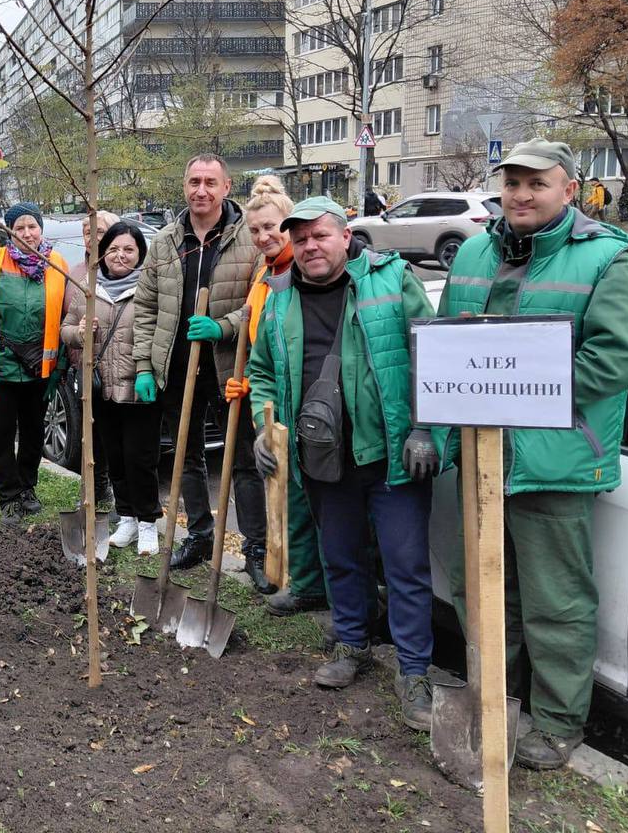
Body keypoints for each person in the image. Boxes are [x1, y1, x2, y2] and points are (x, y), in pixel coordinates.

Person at [438, 138, 628, 768]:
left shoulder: (607, 258)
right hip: (481, 457)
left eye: (537, 183)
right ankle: (493, 702)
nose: (521, 195)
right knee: (481, 593)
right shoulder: (475, 251)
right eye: (512, 183)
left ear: (569, 190)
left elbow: (613, 360)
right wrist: (436, 426)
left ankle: (556, 724)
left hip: (554, 462)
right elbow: (443, 348)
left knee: (556, 603)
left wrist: (520, 391)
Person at [247, 196, 438, 732]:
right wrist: (265, 427)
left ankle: (414, 671)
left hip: (391, 455)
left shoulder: (391, 280)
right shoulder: (280, 298)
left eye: (320, 235)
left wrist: (425, 428)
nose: (310, 246)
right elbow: (263, 372)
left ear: (346, 237)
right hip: (322, 458)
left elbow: (432, 356)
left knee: (405, 567)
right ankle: (352, 643)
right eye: (301, 238)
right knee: (341, 558)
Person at [132, 154, 259, 573]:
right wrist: (145, 366)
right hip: (178, 367)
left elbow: (260, 302)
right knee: (186, 456)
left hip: (228, 369)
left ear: (226, 187)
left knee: (241, 460)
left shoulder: (248, 237)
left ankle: (256, 549)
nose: (200, 190)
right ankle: (200, 536)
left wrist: (223, 327)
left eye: (210, 182)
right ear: (184, 186)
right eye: (193, 182)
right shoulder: (166, 241)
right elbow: (145, 306)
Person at [229, 181, 328, 610]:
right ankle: (304, 583)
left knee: (321, 501)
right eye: (254, 230)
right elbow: (262, 340)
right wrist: (250, 383)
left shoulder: (300, 273)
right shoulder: (265, 274)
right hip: (273, 394)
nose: (263, 236)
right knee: (294, 497)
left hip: (309, 398)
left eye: (270, 227)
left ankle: (329, 589)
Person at [0, 202, 69, 521]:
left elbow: (66, 316)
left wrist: (59, 367)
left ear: (40, 229)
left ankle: (26, 487)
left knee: (35, 433)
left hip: (39, 369)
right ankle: (9, 495)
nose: (27, 233)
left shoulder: (57, 264)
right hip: (0, 370)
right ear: (9, 231)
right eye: (19, 227)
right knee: (0, 433)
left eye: (32, 226)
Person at [61, 221, 161, 555]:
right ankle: (127, 518)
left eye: (129, 249)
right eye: (114, 249)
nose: (121, 255)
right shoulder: (90, 288)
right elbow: (65, 330)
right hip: (102, 389)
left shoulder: (150, 287)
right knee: (116, 457)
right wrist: (79, 332)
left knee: (140, 458)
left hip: (140, 388)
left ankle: (148, 523)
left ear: (140, 253)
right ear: (103, 253)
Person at [65, 209, 120, 521]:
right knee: (88, 435)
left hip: (116, 370)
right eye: (89, 232)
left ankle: (115, 494)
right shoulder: (76, 274)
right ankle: (92, 491)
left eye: (100, 232)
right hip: (83, 371)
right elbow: (65, 325)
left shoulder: (122, 273)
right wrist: (78, 332)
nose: (93, 238)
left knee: (113, 436)